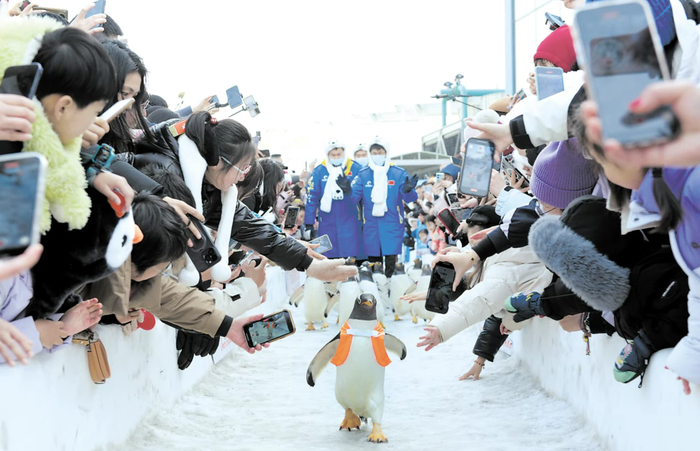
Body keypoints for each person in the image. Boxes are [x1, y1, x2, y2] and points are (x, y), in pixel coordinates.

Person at [416, 205, 552, 382]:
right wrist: (480, 360)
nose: (472, 250)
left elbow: (482, 299)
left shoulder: (504, 267)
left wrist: (442, 328)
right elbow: (482, 292)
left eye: (475, 243)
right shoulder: (512, 248)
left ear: (489, 233)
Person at [349, 137, 418, 277]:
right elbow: (353, 199)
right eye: (374, 153)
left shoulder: (398, 173)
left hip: (392, 222)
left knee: (391, 261)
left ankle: (391, 284)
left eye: (380, 152)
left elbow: (410, 198)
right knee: (374, 262)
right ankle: (376, 286)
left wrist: (408, 190)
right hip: (371, 224)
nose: (377, 155)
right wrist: (346, 191)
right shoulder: (363, 174)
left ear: (386, 152)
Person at [304, 141, 363, 259]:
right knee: (327, 256)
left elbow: (361, 196)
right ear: (328, 155)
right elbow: (312, 198)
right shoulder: (319, 171)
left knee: (351, 257)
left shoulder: (355, 168)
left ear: (344, 153)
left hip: (350, 220)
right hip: (327, 221)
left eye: (339, 154)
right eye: (333, 155)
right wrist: (309, 223)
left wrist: (348, 190)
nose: (336, 157)